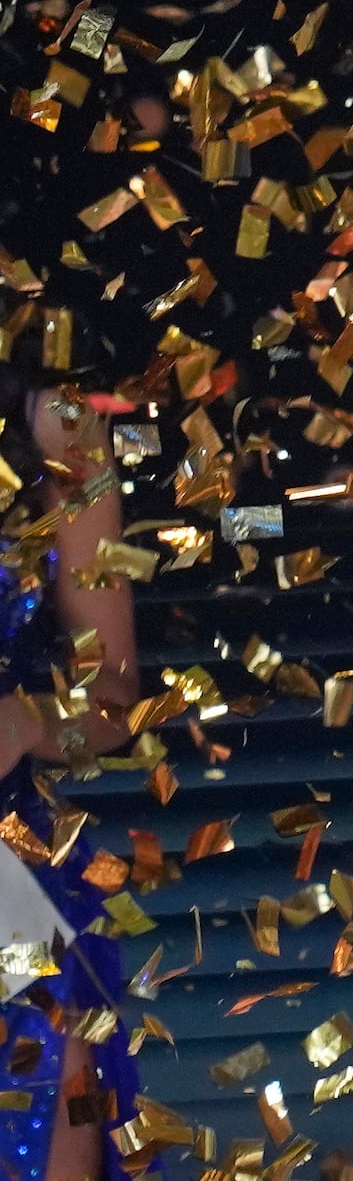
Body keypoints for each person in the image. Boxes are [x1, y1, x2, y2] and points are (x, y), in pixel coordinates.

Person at [0, 370, 146, 1181]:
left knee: (61, 1067)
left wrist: (23, 721)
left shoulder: (62, 431)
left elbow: (118, 701)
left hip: (7, 890)